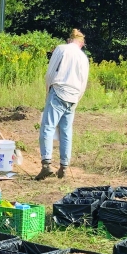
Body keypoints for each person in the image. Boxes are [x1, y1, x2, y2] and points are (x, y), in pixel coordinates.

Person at [36, 29, 89, 181]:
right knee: (66, 132)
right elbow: (83, 82)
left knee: (47, 127)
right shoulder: (83, 57)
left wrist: (48, 92)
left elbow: (50, 73)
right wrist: (77, 99)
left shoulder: (61, 49)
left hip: (58, 91)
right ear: (81, 43)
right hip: (73, 96)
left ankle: (46, 165)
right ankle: (64, 167)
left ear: (69, 40)